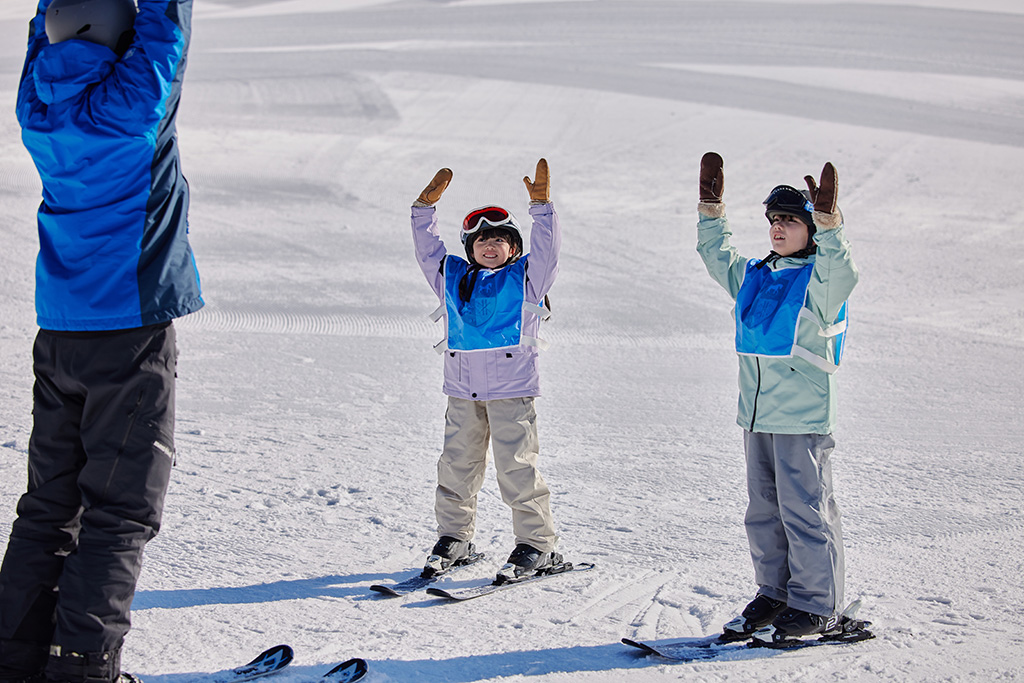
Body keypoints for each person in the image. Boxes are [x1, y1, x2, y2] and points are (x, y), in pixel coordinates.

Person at [0, 0, 201, 681]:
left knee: (50, 507)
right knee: (118, 513)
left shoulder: (38, 108)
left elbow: (49, 36)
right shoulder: (130, 110)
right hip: (129, 333)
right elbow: (167, 28)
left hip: (60, 333)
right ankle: (84, 669)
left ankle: (15, 660)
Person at [695, 152, 859, 642]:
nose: (778, 228)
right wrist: (710, 211)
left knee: (805, 511)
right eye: (773, 220)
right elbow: (715, 256)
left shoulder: (820, 282)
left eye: (790, 220)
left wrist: (831, 226)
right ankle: (776, 592)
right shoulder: (756, 276)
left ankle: (818, 604)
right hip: (756, 416)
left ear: (809, 228)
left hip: (803, 419)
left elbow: (842, 268)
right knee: (763, 511)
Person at [410, 159, 563, 584]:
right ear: (469, 248)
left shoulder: (528, 278)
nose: (490, 245)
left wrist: (542, 208)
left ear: (514, 246)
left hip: (513, 391)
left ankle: (537, 544)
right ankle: (455, 538)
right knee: (456, 466)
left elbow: (548, 249)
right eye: (480, 240)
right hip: (462, 392)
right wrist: (423, 211)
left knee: (516, 468)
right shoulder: (453, 278)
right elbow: (428, 251)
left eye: (499, 238)